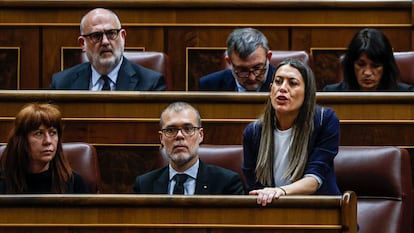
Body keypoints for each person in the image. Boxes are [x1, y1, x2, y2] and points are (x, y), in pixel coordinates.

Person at [243, 58, 341, 206]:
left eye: (292, 83)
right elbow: (254, 186)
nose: (283, 88)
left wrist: (280, 191)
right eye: (278, 81)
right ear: (270, 89)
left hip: (320, 213)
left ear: (307, 92)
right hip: (271, 213)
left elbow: (314, 179)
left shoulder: (323, 121)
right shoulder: (254, 132)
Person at [132, 101, 245, 195]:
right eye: (171, 130)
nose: (179, 136)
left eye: (188, 129)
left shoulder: (226, 183)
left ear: (200, 135)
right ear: (161, 138)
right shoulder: (144, 185)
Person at [50, 8, 166, 91]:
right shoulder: (62, 83)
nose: (105, 42)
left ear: (123, 37)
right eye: (96, 36)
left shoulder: (151, 84)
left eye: (111, 33)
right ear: (82, 44)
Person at [0, 103, 89, 194]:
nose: (48, 141)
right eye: (39, 133)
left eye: (52, 133)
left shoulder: (74, 183)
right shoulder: (3, 183)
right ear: (22, 141)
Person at [323, 28, 413, 91]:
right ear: (352, 65)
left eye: (375, 65)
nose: (367, 73)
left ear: (386, 67)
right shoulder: (331, 93)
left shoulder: (407, 95)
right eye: (361, 64)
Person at [199, 27, 275, 92]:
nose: (252, 78)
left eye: (257, 68)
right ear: (229, 61)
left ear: (268, 57)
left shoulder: (284, 83)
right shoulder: (209, 85)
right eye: (242, 70)